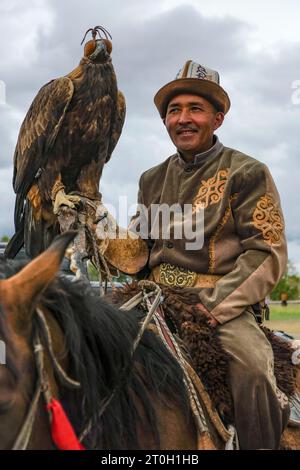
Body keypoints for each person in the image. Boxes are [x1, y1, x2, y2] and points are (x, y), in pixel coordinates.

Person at [130, 60, 290, 449]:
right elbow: (140, 247)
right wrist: (94, 227)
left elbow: (266, 252)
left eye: (195, 109)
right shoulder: (151, 179)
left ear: (217, 119)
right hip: (152, 297)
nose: (182, 119)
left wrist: (215, 305)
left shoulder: (248, 172)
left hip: (218, 304)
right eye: (174, 110)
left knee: (253, 372)